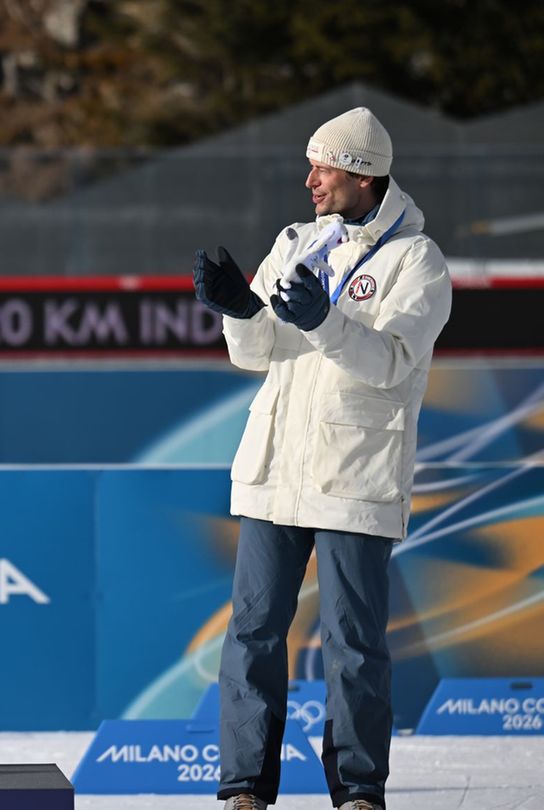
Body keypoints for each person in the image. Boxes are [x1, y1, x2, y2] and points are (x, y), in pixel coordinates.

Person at [193, 107, 451, 810]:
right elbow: (261, 354)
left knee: (354, 644)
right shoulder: (298, 242)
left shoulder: (416, 261)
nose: (309, 180)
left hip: (354, 477)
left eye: (324, 167)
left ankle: (359, 791)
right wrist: (238, 310)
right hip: (278, 471)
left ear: (363, 174)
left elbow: (393, 363)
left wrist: (323, 321)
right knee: (250, 633)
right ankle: (244, 787)